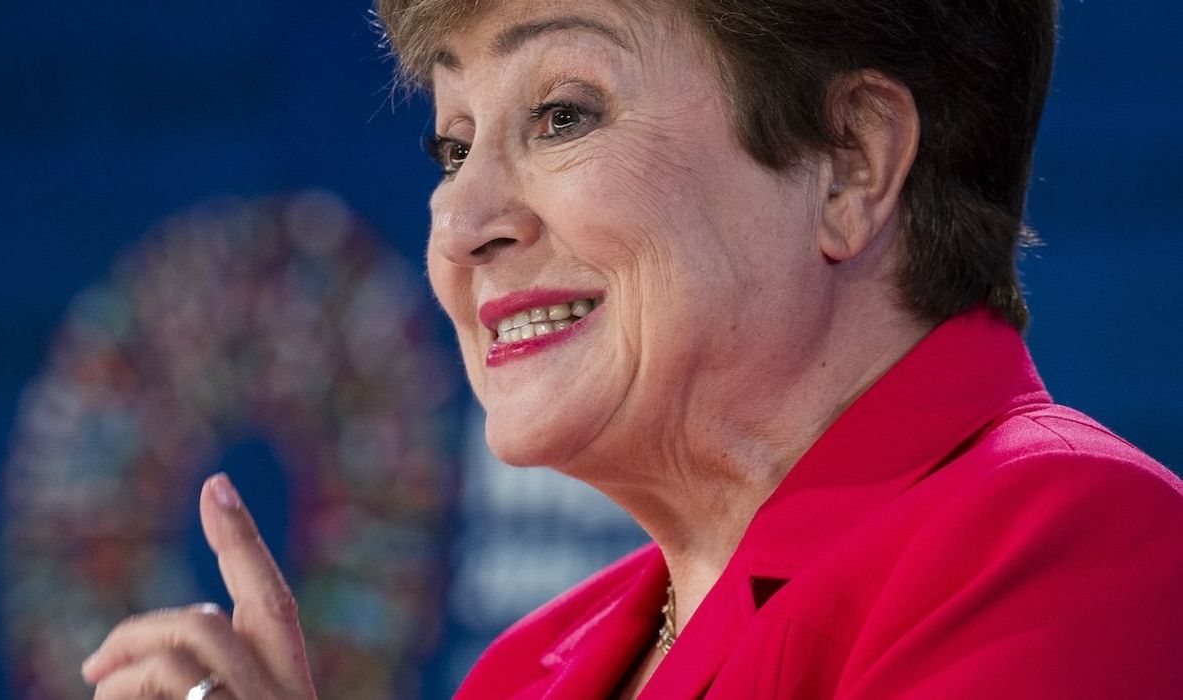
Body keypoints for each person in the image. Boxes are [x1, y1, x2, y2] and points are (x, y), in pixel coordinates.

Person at [81, 0, 1183, 698]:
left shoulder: (1071, 544)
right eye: (451, 143)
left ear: (849, 161)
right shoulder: (527, 672)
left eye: (562, 113)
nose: (461, 228)